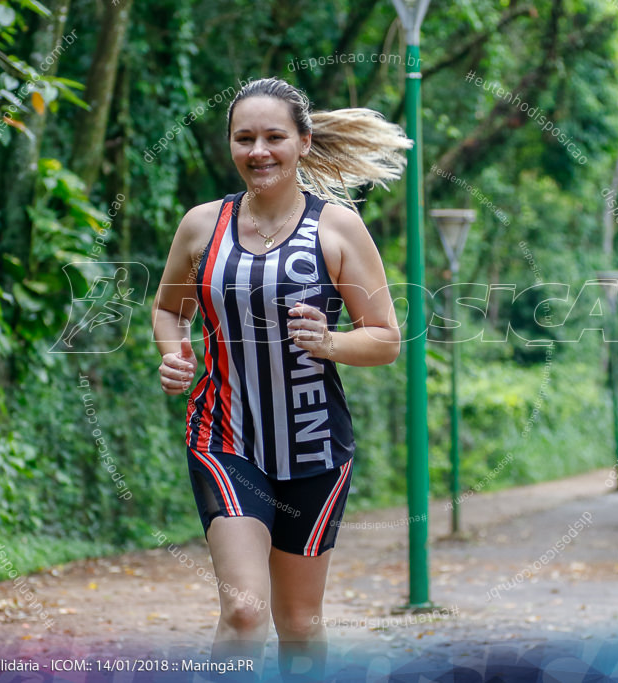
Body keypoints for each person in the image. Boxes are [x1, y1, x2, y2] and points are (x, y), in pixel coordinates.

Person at [151, 77, 408, 677]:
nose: (258, 151)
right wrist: (174, 353)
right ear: (231, 146)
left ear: (303, 143)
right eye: (245, 138)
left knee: (299, 624)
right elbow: (169, 309)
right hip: (224, 439)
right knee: (244, 614)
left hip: (314, 446)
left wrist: (332, 341)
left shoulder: (339, 228)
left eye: (273, 137)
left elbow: (387, 338)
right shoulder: (201, 227)